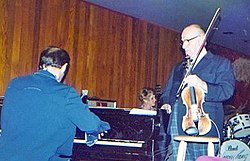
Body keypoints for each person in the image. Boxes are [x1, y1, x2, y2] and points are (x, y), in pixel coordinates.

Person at [0, 46, 110, 161]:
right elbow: (91, 125)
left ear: (41, 65)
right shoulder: (66, 93)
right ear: (64, 67)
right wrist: (101, 126)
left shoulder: (14, 84)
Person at [160, 24, 235, 161]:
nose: (183, 46)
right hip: (177, 123)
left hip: (203, 125)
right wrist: (166, 103)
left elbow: (227, 91)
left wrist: (203, 84)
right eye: (182, 42)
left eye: (187, 41)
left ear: (202, 40)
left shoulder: (220, 63)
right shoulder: (178, 67)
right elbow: (167, 91)